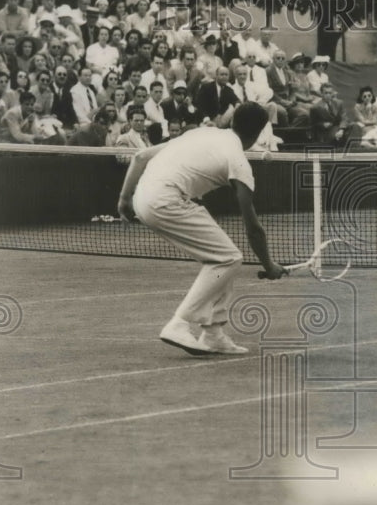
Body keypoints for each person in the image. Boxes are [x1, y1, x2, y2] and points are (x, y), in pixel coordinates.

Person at [117, 102, 286, 355]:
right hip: (166, 200)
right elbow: (253, 228)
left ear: (232, 122)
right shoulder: (238, 161)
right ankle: (180, 323)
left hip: (143, 197)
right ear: (259, 132)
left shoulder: (201, 132)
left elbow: (140, 157)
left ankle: (213, 333)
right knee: (228, 258)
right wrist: (269, 266)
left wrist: (124, 199)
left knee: (223, 256)